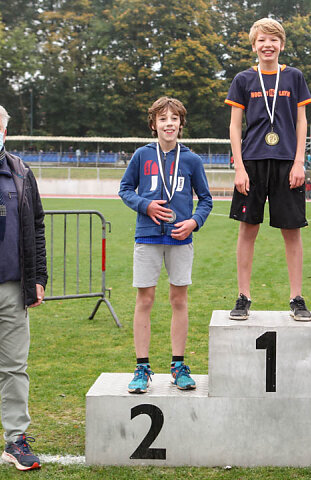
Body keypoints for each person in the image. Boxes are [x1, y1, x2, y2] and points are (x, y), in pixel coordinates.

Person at [119, 97, 212, 393]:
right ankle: (142, 367)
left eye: (174, 118)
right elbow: (125, 189)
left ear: (181, 124)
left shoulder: (192, 160)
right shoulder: (142, 156)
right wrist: (144, 205)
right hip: (147, 237)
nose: (168, 124)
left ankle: (178, 366)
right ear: (153, 124)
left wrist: (194, 222)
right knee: (145, 300)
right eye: (162, 119)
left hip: (180, 238)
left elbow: (206, 200)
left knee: (179, 300)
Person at [224, 18, 311, 321]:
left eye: (273, 39)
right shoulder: (243, 79)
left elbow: (301, 121)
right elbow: (235, 126)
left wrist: (299, 161)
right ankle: (243, 296)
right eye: (262, 40)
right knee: (248, 229)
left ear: (282, 45)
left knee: (292, 231)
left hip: (287, 162)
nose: (267, 45)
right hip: (252, 162)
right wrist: (239, 167)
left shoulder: (294, 77)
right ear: (254, 45)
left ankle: (297, 297)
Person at [0, 105, 46, 471]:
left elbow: (37, 226)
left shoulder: (21, 171)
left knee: (14, 367)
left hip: (12, 288)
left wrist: (38, 277)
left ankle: (16, 440)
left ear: (4, 131)